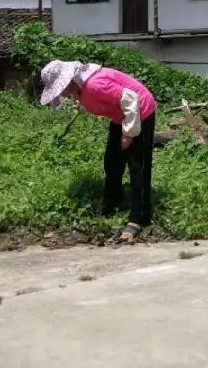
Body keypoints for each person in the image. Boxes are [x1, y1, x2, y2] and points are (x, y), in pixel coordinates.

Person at [40, 60, 157, 243]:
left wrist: (129, 134)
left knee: (138, 166)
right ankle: (112, 204)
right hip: (122, 115)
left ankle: (139, 217)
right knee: (112, 162)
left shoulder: (94, 84)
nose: (60, 92)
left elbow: (130, 99)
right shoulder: (79, 88)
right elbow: (103, 101)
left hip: (139, 111)